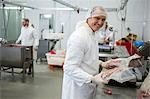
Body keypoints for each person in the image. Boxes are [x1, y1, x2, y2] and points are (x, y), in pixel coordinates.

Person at [61, 6, 119, 99]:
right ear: (89, 17)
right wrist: (92, 79)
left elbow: (89, 59)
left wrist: (102, 64)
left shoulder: (92, 34)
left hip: (88, 86)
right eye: (97, 18)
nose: (100, 22)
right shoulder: (79, 37)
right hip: (77, 89)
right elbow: (69, 68)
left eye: (103, 19)